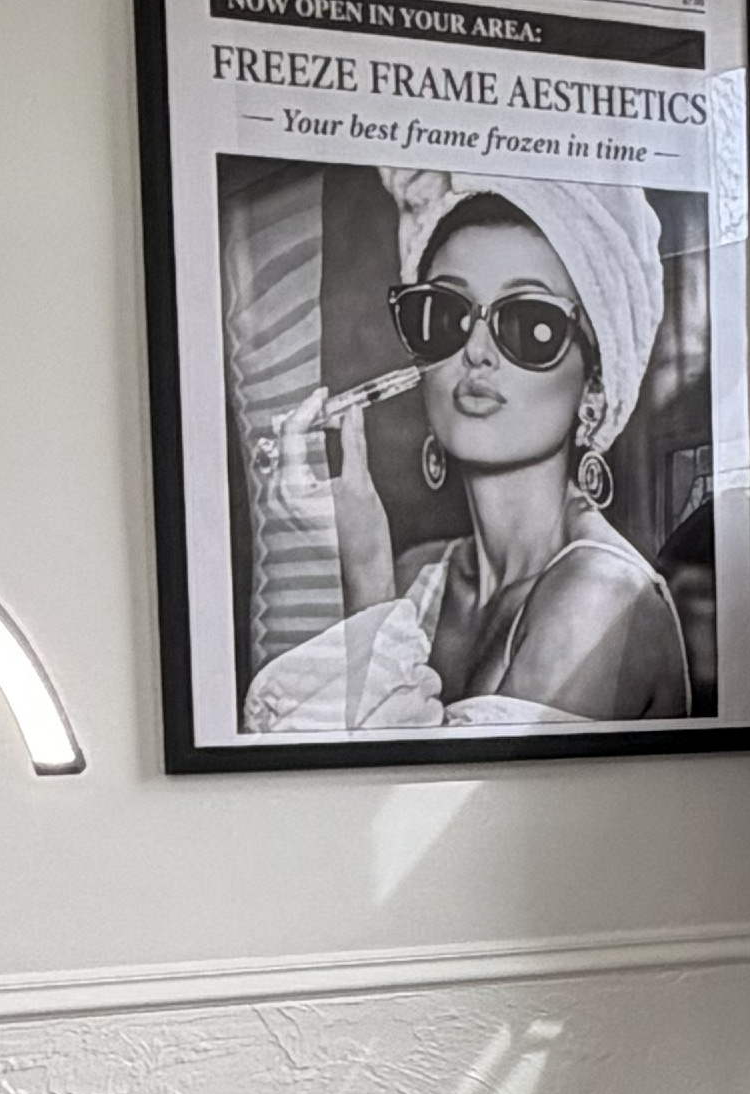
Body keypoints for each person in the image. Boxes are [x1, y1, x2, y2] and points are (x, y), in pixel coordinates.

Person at [254, 175, 690, 732]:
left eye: (531, 324)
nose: (475, 352)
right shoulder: (419, 575)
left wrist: (365, 576)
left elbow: (430, 807)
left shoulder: (602, 594)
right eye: (445, 315)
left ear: (596, 389)